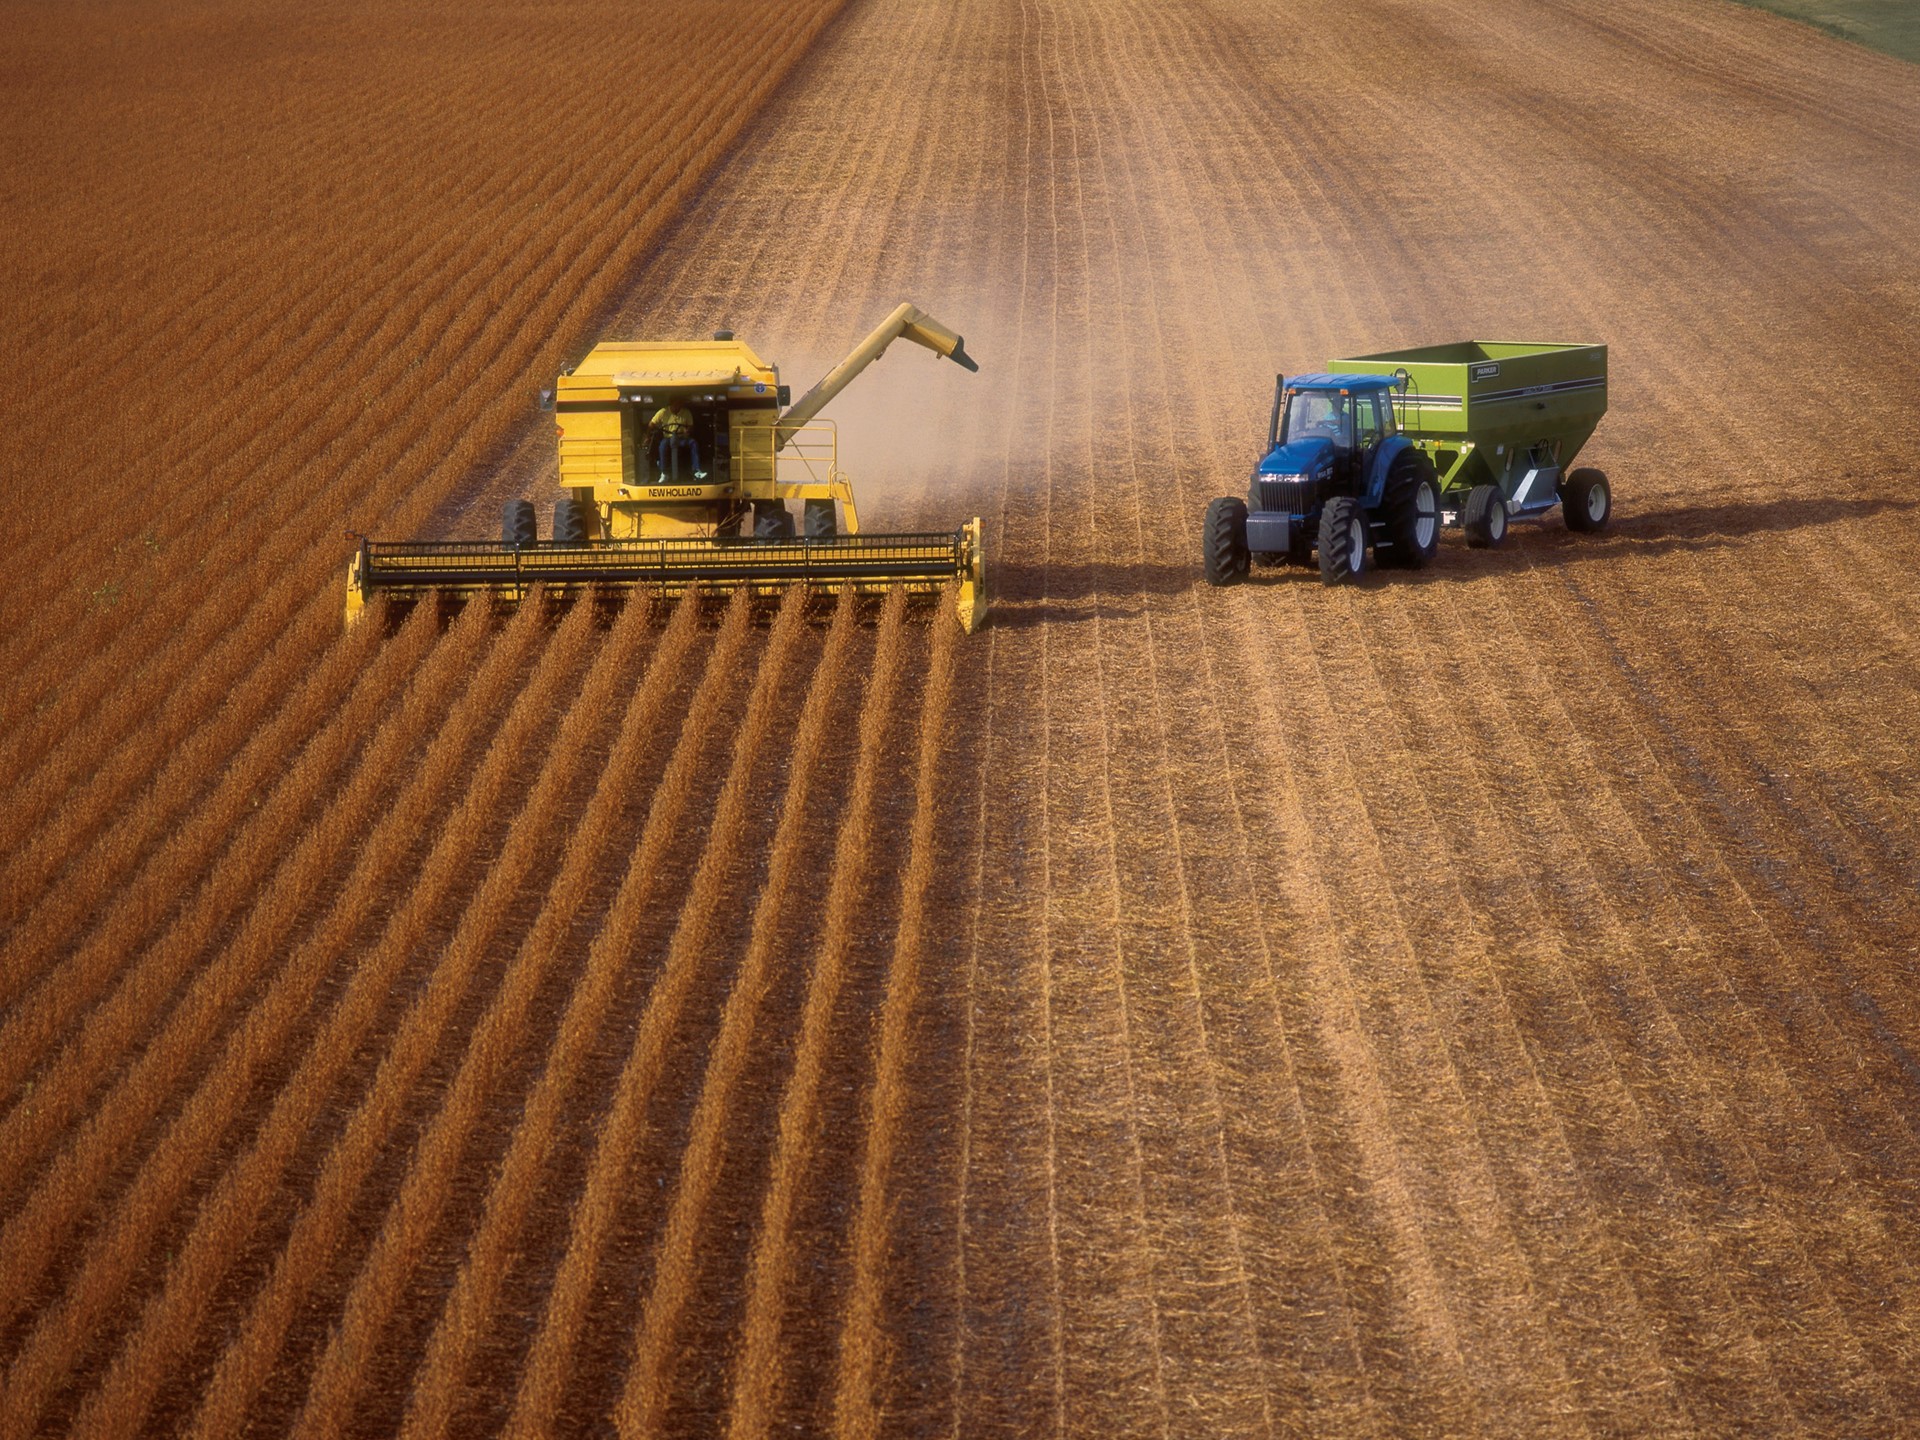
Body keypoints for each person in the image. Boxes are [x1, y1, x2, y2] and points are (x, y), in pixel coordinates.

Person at [648, 399, 704, 480]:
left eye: (679, 405)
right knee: (662, 446)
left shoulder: (686, 412)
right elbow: (651, 424)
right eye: (675, 405)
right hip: (667, 438)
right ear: (670, 405)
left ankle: (696, 471)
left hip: (681, 438)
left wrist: (687, 431)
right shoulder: (663, 412)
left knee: (693, 443)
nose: (677, 407)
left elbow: (691, 426)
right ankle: (664, 472)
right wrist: (648, 436)